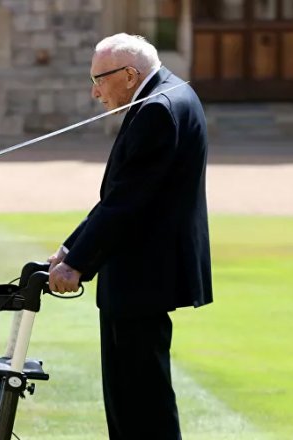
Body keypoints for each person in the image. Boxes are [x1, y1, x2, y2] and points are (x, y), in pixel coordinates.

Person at [47, 34, 213, 439]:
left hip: (143, 275)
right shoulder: (172, 92)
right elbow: (122, 194)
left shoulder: (157, 109)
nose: (95, 91)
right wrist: (71, 248)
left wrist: (77, 265)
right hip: (145, 272)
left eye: (99, 79)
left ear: (128, 75)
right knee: (132, 397)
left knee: (140, 401)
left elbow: (126, 203)